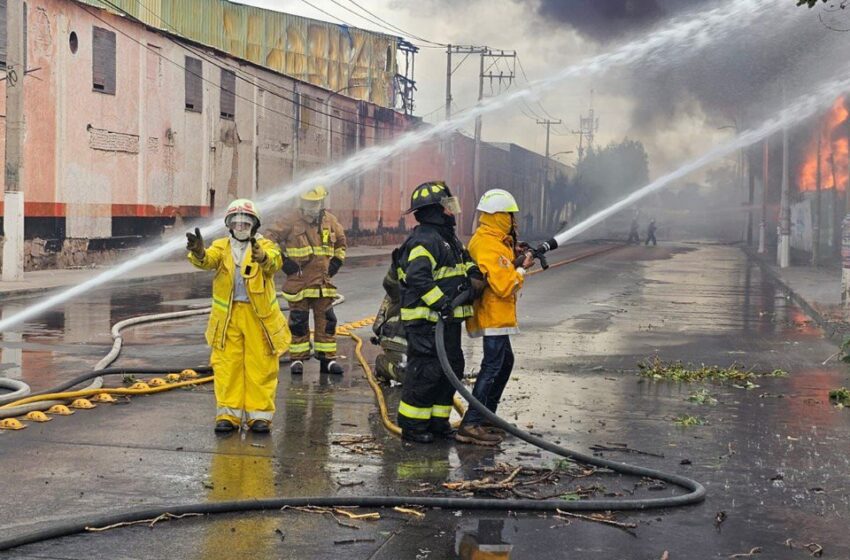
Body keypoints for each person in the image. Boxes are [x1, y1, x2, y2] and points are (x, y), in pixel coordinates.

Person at [186, 199, 290, 433]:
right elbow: (207, 261)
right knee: (226, 365)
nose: (241, 226)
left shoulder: (267, 246)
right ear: (229, 224)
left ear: (255, 225)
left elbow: (274, 263)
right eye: (236, 222)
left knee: (261, 365)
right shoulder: (221, 246)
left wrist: (262, 256)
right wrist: (199, 251)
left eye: (246, 222)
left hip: (258, 318)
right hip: (228, 318)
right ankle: (228, 414)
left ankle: (259, 416)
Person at [396, 181, 482, 444]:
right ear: (434, 210)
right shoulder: (425, 239)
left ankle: (437, 422)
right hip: (426, 321)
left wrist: (475, 274)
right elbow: (418, 278)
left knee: (451, 368)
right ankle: (413, 426)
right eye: (446, 205)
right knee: (426, 373)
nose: (450, 210)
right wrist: (443, 303)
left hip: (446, 321)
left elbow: (465, 262)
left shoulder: (447, 238)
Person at [456, 189, 534, 446]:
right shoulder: (489, 243)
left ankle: (487, 417)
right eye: (511, 216)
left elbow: (499, 267)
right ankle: (472, 423)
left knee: (504, 362)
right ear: (500, 215)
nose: (514, 221)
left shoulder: (490, 239)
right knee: (493, 366)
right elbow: (504, 284)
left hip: (495, 316)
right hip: (493, 316)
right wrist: (522, 268)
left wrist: (514, 256)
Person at [274, 186, 347, 375]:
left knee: (328, 321)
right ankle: (297, 360)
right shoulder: (290, 220)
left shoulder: (330, 221)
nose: (312, 207)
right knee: (298, 322)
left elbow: (341, 243)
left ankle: (328, 359)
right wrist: (283, 261)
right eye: (309, 203)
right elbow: (268, 239)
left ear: (321, 203)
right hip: (299, 282)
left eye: (315, 203)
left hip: (323, 283)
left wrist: (336, 263)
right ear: (301, 202)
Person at [371, 261, 408, 383]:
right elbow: (377, 326)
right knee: (411, 378)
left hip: (419, 345)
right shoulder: (397, 290)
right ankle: (382, 365)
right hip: (397, 341)